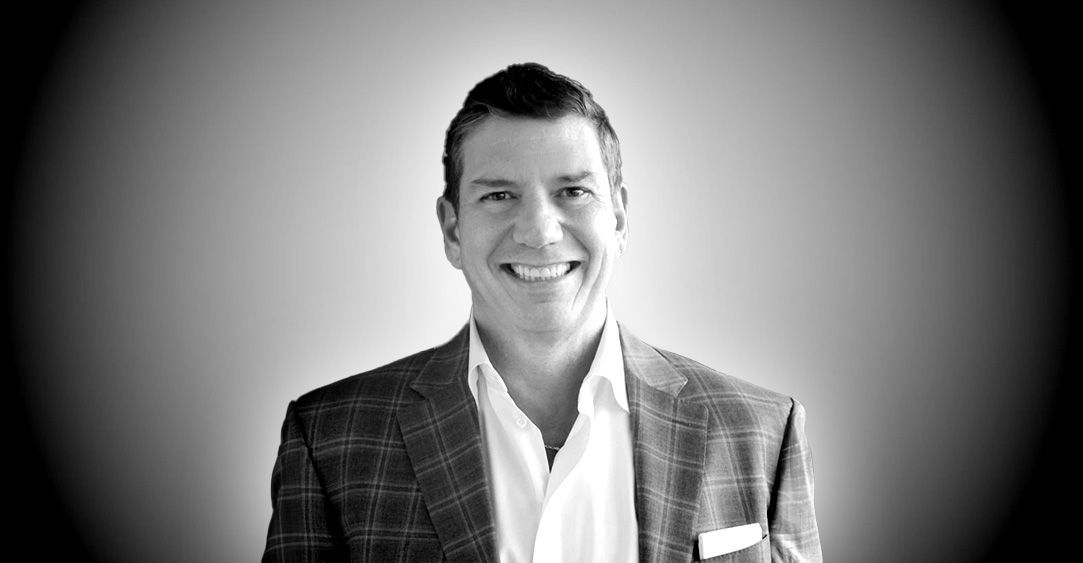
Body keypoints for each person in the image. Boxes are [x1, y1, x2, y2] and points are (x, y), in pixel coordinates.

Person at [263, 62, 821, 562]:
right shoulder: (331, 437)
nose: (538, 231)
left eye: (573, 191)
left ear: (620, 218)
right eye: (499, 195)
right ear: (452, 229)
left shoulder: (761, 430)